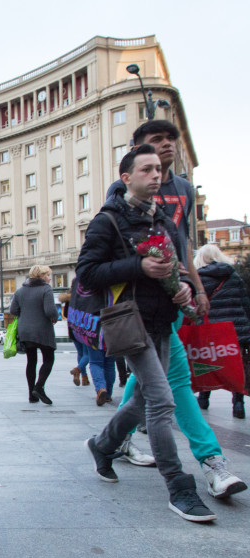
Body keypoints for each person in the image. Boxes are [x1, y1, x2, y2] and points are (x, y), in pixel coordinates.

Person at [80, 144, 216, 522]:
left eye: (158, 169)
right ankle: (179, 487)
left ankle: (103, 445)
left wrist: (185, 286)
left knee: (141, 399)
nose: (156, 175)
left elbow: (175, 266)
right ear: (127, 178)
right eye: (146, 170)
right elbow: (88, 274)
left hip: (162, 319)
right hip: (130, 321)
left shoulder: (164, 221)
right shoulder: (107, 221)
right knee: (162, 399)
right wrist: (139, 265)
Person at [110, 121, 246, 497]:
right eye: (156, 142)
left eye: (171, 140)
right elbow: (106, 255)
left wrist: (196, 288)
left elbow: (182, 243)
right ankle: (207, 463)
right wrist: (142, 270)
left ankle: (111, 441)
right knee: (173, 387)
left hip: (173, 301)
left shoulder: (183, 189)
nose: (166, 147)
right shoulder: (122, 192)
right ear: (137, 152)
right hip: (139, 309)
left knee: (146, 387)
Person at [194, 244, 250, 419]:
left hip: (210, 330)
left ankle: (203, 398)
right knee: (235, 365)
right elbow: (245, 303)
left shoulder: (199, 278)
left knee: (207, 363)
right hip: (235, 329)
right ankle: (238, 404)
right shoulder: (232, 275)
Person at [9, 265, 58, 405]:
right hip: (42, 329)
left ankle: (32, 395)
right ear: (41, 276)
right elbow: (50, 311)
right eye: (48, 275)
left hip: (25, 330)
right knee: (48, 359)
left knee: (31, 361)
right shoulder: (46, 289)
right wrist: (55, 317)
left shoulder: (20, 291)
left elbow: (13, 310)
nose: (49, 278)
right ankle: (39, 387)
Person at [60, 283, 90, 387]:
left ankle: (84, 377)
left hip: (73, 329)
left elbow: (66, 314)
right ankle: (78, 370)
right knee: (88, 354)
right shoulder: (86, 296)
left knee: (80, 353)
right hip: (85, 329)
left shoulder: (70, 298)